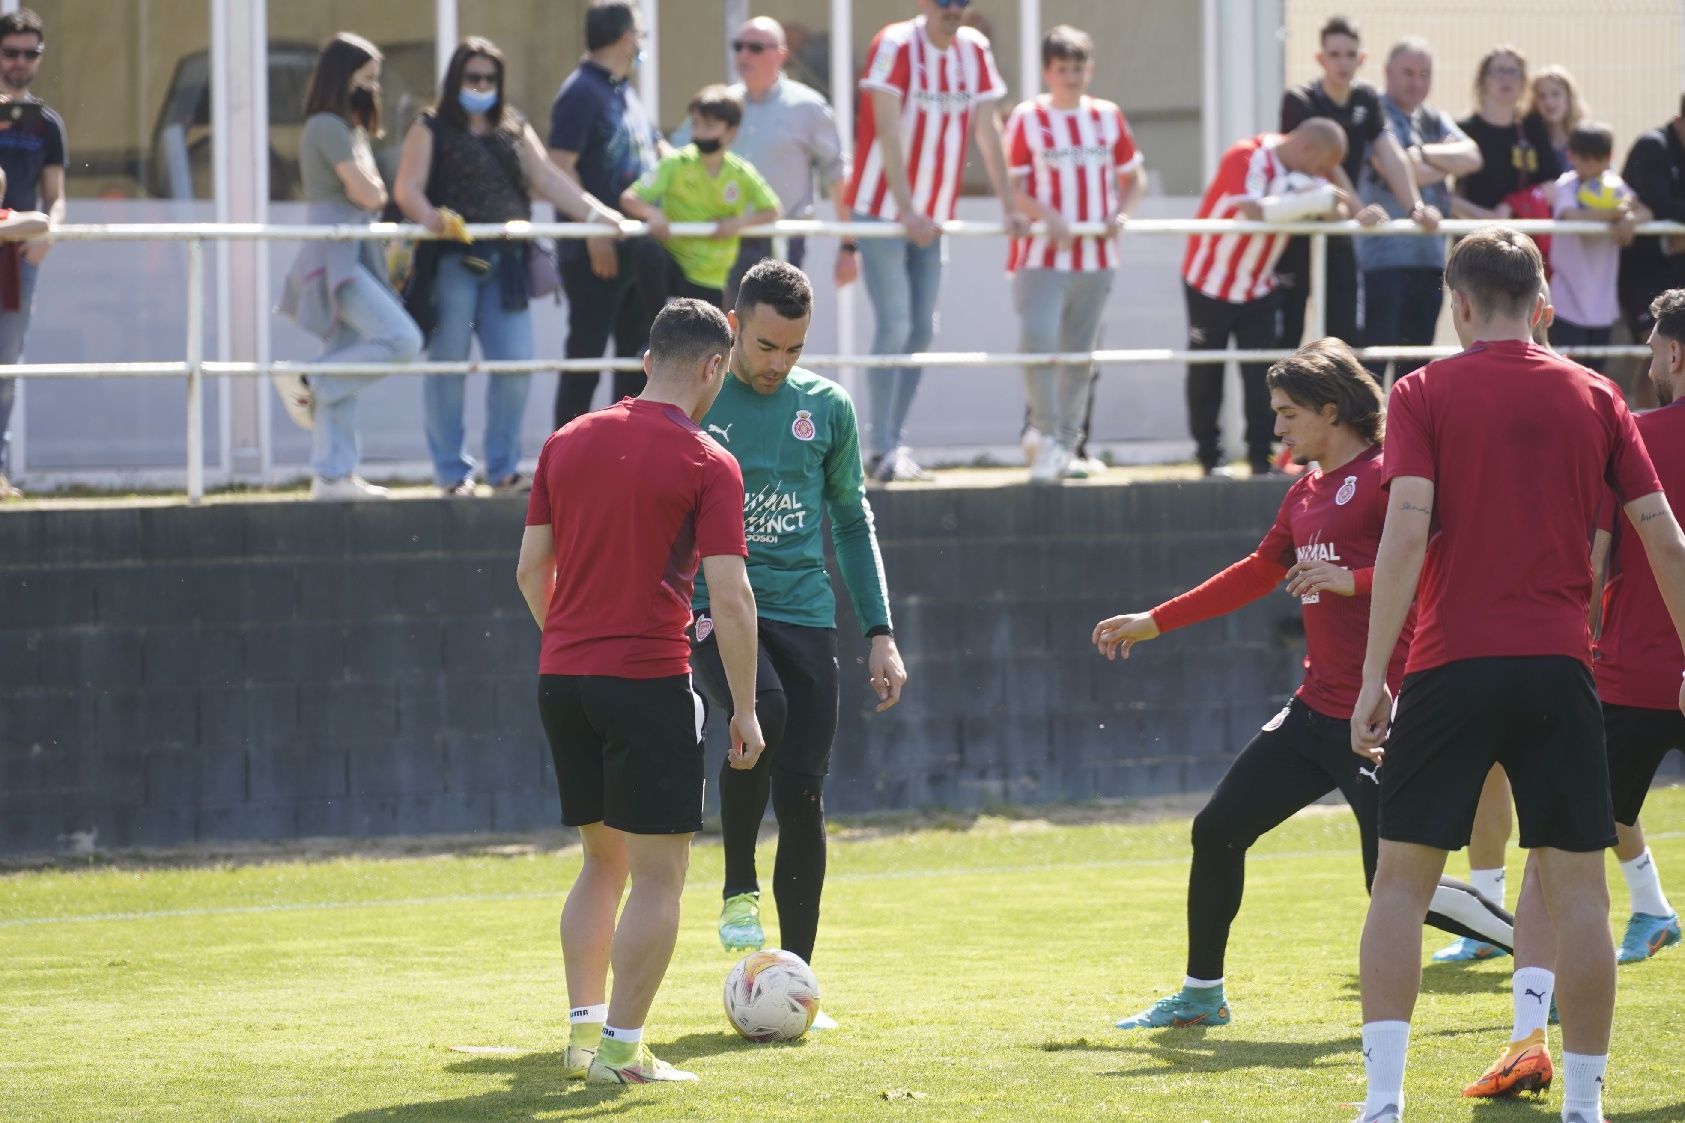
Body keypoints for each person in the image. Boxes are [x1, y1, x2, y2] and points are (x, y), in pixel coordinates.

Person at [1349, 227, 1685, 1123]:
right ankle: (1583, 1105)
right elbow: (1661, 537)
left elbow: (1405, 530)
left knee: (1400, 883)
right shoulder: (1598, 393)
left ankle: (1381, 1104)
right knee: (1578, 888)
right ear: (1541, 299)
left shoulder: (1420, 389)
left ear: (1458, 302)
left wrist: (1373, 670)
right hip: (1558, 668)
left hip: (1448, 666)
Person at [1095, 338, 1514, 1032]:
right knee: (1218, 829)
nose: (1278, 428)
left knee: (1393, 883)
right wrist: (1154, 621)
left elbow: (1437, 568)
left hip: (1382, 714)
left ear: (1331, 409)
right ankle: (1203, 994)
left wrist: (1350, 579)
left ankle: (1546, 957)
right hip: (1315, 711)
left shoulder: (1389, 475)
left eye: (1288, 413)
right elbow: (1257, 571)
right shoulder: (1304, 492)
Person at [515, 298, 765, 1086]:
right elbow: (730, 597)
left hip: (563, 679)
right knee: (660, 874)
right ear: (711, 366)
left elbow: (530, 571)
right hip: (647, 681)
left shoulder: (566, 439)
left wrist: (572, 640)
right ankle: (624, 1050)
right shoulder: (707, 460)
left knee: (601, 861)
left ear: (647, 356)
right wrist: (747, 708)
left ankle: (582, 1036)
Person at [1459, 287, 1685, 1104]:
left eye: (1656, 350)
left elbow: (1595, 561)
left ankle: (1526, 1037)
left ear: (1674, 356)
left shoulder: (1632, 432)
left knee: (1554, 864)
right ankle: (1648, 914)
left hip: (1628, 676)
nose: (1649, 363)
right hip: (1634, 672)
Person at [692, 261, 907, 1023]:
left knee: (807, 793)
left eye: (793, 348)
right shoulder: (700, 398)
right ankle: (736, 887)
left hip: (804, 609)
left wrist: (879, 631)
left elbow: (850, 521)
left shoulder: (826, 407)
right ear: (732, 323)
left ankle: (798, 979)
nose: (777, 362)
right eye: (763, 345)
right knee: (765, 713)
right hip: (714, 606)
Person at [394, 38, 623, 497]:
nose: (481, 86)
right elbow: (407, 188)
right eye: (472, 77)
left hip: (508, 265)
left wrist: (599, 215)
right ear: (455, 79)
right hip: (452, 262)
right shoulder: (430, 126)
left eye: (489, 78)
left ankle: (501, 470)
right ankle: (451, 473)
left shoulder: (513, 126)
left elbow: (548, 180)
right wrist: (430, 218)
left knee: (517, 366)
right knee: (447, 368)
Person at [848, 0, 1026, 483]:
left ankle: (893, 442)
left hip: (933, 215)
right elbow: (885, 128)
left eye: (961, 2)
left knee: (922, 330)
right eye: (944, 1)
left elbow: (989, 130)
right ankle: (878, 446)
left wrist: (1010, 204)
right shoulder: (895, 42)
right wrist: (905, 208)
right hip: (883, 208)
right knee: (896, 323)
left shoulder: (974, 48)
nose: (953, 10)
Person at [276, 32, 423, 502]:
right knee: (402, 340)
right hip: (334, 253)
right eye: (367, 79)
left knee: (344, 354)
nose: (374, 89)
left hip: (352, 250)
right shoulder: (326, 125)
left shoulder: (349, 128)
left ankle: (332, 476)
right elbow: (370, 193)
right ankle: (310, 383)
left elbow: (371, 189)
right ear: (344, 77)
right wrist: (375, 187)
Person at [1005, 25, 1146, 483]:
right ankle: (1044, 435)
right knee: (1038, 345)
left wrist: (1121, 215)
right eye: (1062, 68)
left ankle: (1064, 445)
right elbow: (1014, 188)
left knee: (1080, 358)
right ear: (1047, 70)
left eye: (1078, 67)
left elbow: (1134, 177)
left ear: (1090, 68)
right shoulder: (1028, 117)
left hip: (1096, 259)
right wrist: (1047, 213)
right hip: (1041, 257)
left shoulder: (1107, 115)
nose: (1071, 76)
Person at [1182, 119, 1352, 477]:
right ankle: (1208, 460)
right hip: (1208, 280)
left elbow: (1337, 209)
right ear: (1306, 149)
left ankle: (1261, 460)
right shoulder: (1247, 156)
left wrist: (1325, 202)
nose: (1323, 174)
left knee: (1262, 376)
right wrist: (1313, 201)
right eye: (1321, 166)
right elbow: (1254, 210)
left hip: (1258, 285)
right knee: (1205, 371)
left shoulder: (1304, 173)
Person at [1277, 16, 1437, 350]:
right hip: (1296, 230)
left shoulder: (1365, 98)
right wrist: (1359, 210)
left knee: (1345, 338)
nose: (1342, 62)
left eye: (1350, 54)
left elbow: (1390, 153)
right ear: (1321, 59)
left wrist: (1415, 208)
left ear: (1361, 59)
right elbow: (1326, 164)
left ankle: (1337, 405)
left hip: (1339, 230)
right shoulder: (1300, 100)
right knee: (1286, 338)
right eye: (1334, 54)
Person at [670, 16, 854, 307]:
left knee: (774, 330)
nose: (743, 54)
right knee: (722, 330)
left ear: (781, 54)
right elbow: (676, 154)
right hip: (721, 240)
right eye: (738, 46)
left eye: (754, 47)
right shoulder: (721, 103)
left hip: (780, 239)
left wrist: (848, 245)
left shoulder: (808, 106)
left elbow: (837, 173)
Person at [548, 0, 665, 430]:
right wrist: (593, 229)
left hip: (636, 249)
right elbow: (558, 166)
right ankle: (563, 462)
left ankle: (623, 458)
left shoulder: (624, 89)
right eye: (639, 32)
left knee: (636, 361)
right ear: (625, 37)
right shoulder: (580, 91)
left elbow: (658, 154)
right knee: (587, 357)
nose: (641, 43)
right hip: (597, 253)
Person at [1356, 38, 1481, 384]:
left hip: (1428, 259)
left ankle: (1407, 439)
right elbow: (1392, 165)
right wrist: (1443, 161)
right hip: (1382, 259)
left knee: (1416, 367)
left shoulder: (1432, 117)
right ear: (1387, 73)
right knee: (1373, 366)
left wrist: (1419, 156)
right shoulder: (1374, 114)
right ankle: (1372, 440)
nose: (1416, 83)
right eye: (1407, 73)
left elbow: (1472, 157)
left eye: (1424, 74)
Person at [619, 85, 781, 319]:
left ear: (731, 132)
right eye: (695, 124)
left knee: (705, 343)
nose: (700, 133)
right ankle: (653, 333)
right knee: (646, 249)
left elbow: (773, 209)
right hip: (672, 263)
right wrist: (651, 213)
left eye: (709, 126)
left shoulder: (741, 172)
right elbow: (629, 198)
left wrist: (738, 223)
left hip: (710, 277)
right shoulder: (676, 163)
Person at [0, 7, 64, 501]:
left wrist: (50, 234)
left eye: (30, 53)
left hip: (19, 256)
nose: (20, 62)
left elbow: (56, 195)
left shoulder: (47, 125)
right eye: (11, 52)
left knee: (7, 366)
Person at [1547, 122, 1649, 373]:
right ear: (1571, 156)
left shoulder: (1616, 186)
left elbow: (1645, 211)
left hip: (1602, 304)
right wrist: (1615, 213)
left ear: (1609, 158)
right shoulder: (1566, 185)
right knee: (1565, 373)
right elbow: (1571, 216)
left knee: (1595, 374)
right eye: (1584, 158)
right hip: (1566, 301)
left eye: (1598, 158)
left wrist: (1629, 220)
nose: (1591, 165)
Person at [1617, 95, 1685, 409]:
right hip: (1642, 271)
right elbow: (1660, 204)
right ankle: (1645, 429)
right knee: (1654, 347)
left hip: (1676, 271)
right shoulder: (1652, 146)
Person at [1451, 47, 1561, 221]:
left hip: (1524, 237)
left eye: (1513, 72)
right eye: (1499, 71)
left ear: (1523, 82)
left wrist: (1511, 205)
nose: (1506, 78)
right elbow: (1444, 196)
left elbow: (1552, 184)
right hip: (1474, 235)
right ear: (1483, 80)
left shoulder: (1533, 128)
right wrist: (1487, 218)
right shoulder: (1463, 130)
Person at [1525, 65, 1587, 171]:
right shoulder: (1528, 138)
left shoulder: (1586, 138)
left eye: (1555, 94)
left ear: (1569, 97)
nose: (1549, 102)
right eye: (1542, 96)